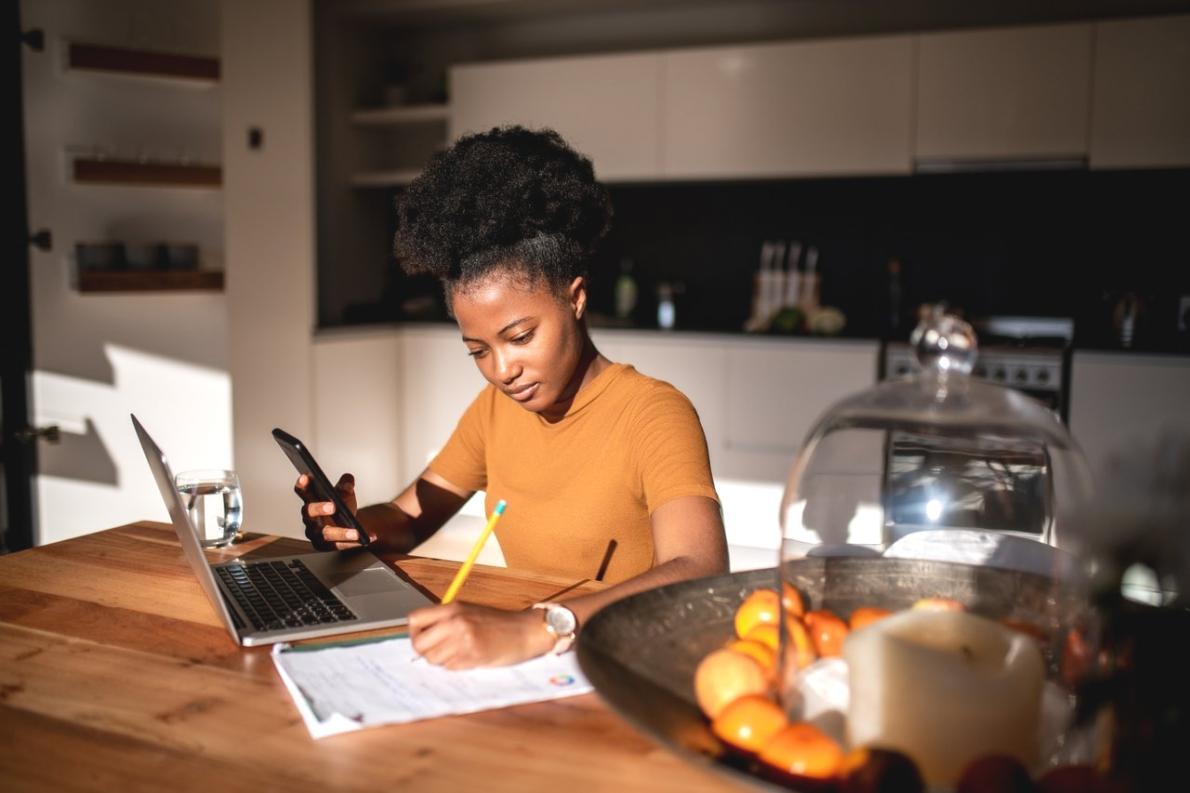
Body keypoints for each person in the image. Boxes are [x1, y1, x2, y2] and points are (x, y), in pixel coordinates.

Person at [296, 126, 727, 669]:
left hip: (627, 665)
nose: (502, 371)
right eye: (477, 351)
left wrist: (539, 626)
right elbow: (408, 519)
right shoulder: (496, 411)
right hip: (536, 670)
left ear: (575, 298)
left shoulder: (653, 412)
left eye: (520, 337)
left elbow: (699, 570)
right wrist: (353, 527)